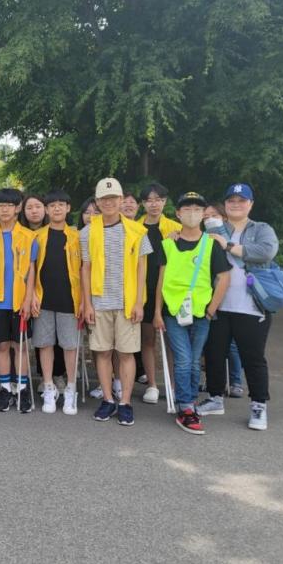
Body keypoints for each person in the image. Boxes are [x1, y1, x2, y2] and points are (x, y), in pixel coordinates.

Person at [200, 183, 278, 431]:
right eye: (231, 200)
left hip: (252, 306)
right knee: (213, 354)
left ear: (250, 204)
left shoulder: (261, 229)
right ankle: (214, 398)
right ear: (225, 205)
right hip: (220, 305)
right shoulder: (217, 227)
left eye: (241, 200)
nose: (236, 204)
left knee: (252, 358)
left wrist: (229, 246)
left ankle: (258, 405)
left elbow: (266, 252)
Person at [153, 192, 231, 435]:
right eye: (187, 209)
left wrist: (211, 309)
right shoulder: (168, 243)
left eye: (197, 209)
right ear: (178, 214)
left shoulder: (211, 244)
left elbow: (224, 277)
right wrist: (156, 312)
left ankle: (191, 401)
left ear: (203, 214)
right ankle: (185, 407)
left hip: (200, 314)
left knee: (195, 361)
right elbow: (160, 280)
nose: (192, 213)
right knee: (184, 359)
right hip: (173, 312)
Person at [81, 177, 152, 426]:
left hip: (127, 303)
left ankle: (125, 402)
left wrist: (139, 302)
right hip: (99, 302)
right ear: (98, 202)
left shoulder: (137, 230)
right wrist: (87, 303)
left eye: (114, 198)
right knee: (102, 352)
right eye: (104, 198)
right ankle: (108, 399)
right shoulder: (88, 231)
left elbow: (143, 268)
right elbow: (85, 269)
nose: (109, 202)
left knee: (126, 353)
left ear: (121, 200)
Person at [0, 188, 39, 413]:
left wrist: (27, 298)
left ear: (18, 208)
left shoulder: (29, 236)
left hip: (18, 301)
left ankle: (22, 390)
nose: (4, 209)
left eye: (8, 205)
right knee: (1, 346)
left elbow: (31, 271)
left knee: (20, 346)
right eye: (0, 205)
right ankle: (5, 388)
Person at [31, 190, 82, 415]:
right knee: (44, 344)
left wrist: (84, 301)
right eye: (52, 205)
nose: (57, 209)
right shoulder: (38, 236)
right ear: (47, 210)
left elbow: (84, 270)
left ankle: (71, 388)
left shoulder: (77, 236)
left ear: (68, 208)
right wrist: (31, 294)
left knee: (70, 345)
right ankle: (49, 387)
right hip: (43, 299)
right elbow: (30, 269)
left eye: (62, 204)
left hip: (71, 299)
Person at [136, 182, 182, 404]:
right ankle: (152, 385)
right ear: (143, 203)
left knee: (172, 340)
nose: (154, 204)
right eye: (149, 200)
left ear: (164, 201)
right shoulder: (134, 227)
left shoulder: (175, 228)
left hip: (169, 290)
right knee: (147, 339)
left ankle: (174, 385)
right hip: (143, 289)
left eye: (158, 199)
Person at [204, 203, 243, 397]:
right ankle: (214, 384)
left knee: (232, 344)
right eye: (206, 216)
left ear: (223, 217)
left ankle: (236, 381)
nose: (210, 219)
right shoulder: (203, 238)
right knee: (213, 343)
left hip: (233, 295)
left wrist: (222, 240)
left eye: (214, 215)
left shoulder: (230, 237)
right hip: (212, 294)